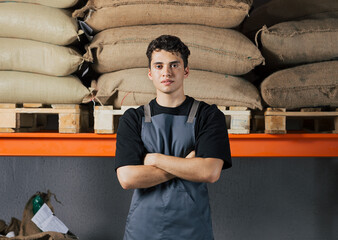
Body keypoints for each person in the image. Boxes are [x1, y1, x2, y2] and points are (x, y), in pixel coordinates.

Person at [115, 35, 232, 240]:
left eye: (174, 65)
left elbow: (210, 172)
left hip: (192, 232)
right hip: (143, 232)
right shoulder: (133, 119)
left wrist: (155, 159)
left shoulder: (209, 116)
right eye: (159, 66)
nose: (166, 72)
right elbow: (127, 178)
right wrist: (187, 165)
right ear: (150, 73)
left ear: (186, 71)